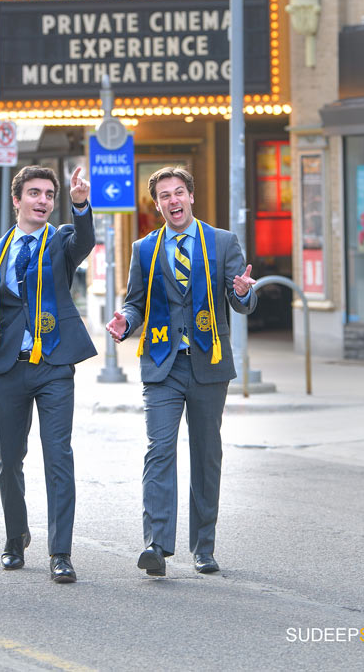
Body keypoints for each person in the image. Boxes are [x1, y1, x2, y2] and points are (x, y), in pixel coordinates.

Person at [107, 166, 257, 578]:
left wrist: (244, 293)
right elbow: (135, 301)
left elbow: (239, 297)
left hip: (209, 364)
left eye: (179, 193)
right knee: (159, 449)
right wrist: (125, 320)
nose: (173, 201)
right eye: (164, 196)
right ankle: (156, 544)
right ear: (157, 205)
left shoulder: (222, 242)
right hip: (162, 363)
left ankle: (203, 547)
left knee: (206, 455)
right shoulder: (144, 248)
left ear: (191, 196)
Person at [0, 165, 96, 584]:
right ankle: (14, 537)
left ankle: (60, 552)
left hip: (54, 366)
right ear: (17, 199)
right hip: (6, 369)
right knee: (9, 459)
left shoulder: (60, 241)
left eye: (49, 194)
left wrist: (80, 205)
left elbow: (85, 242)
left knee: (58, 457)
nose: (42, 200)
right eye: (34, 193)